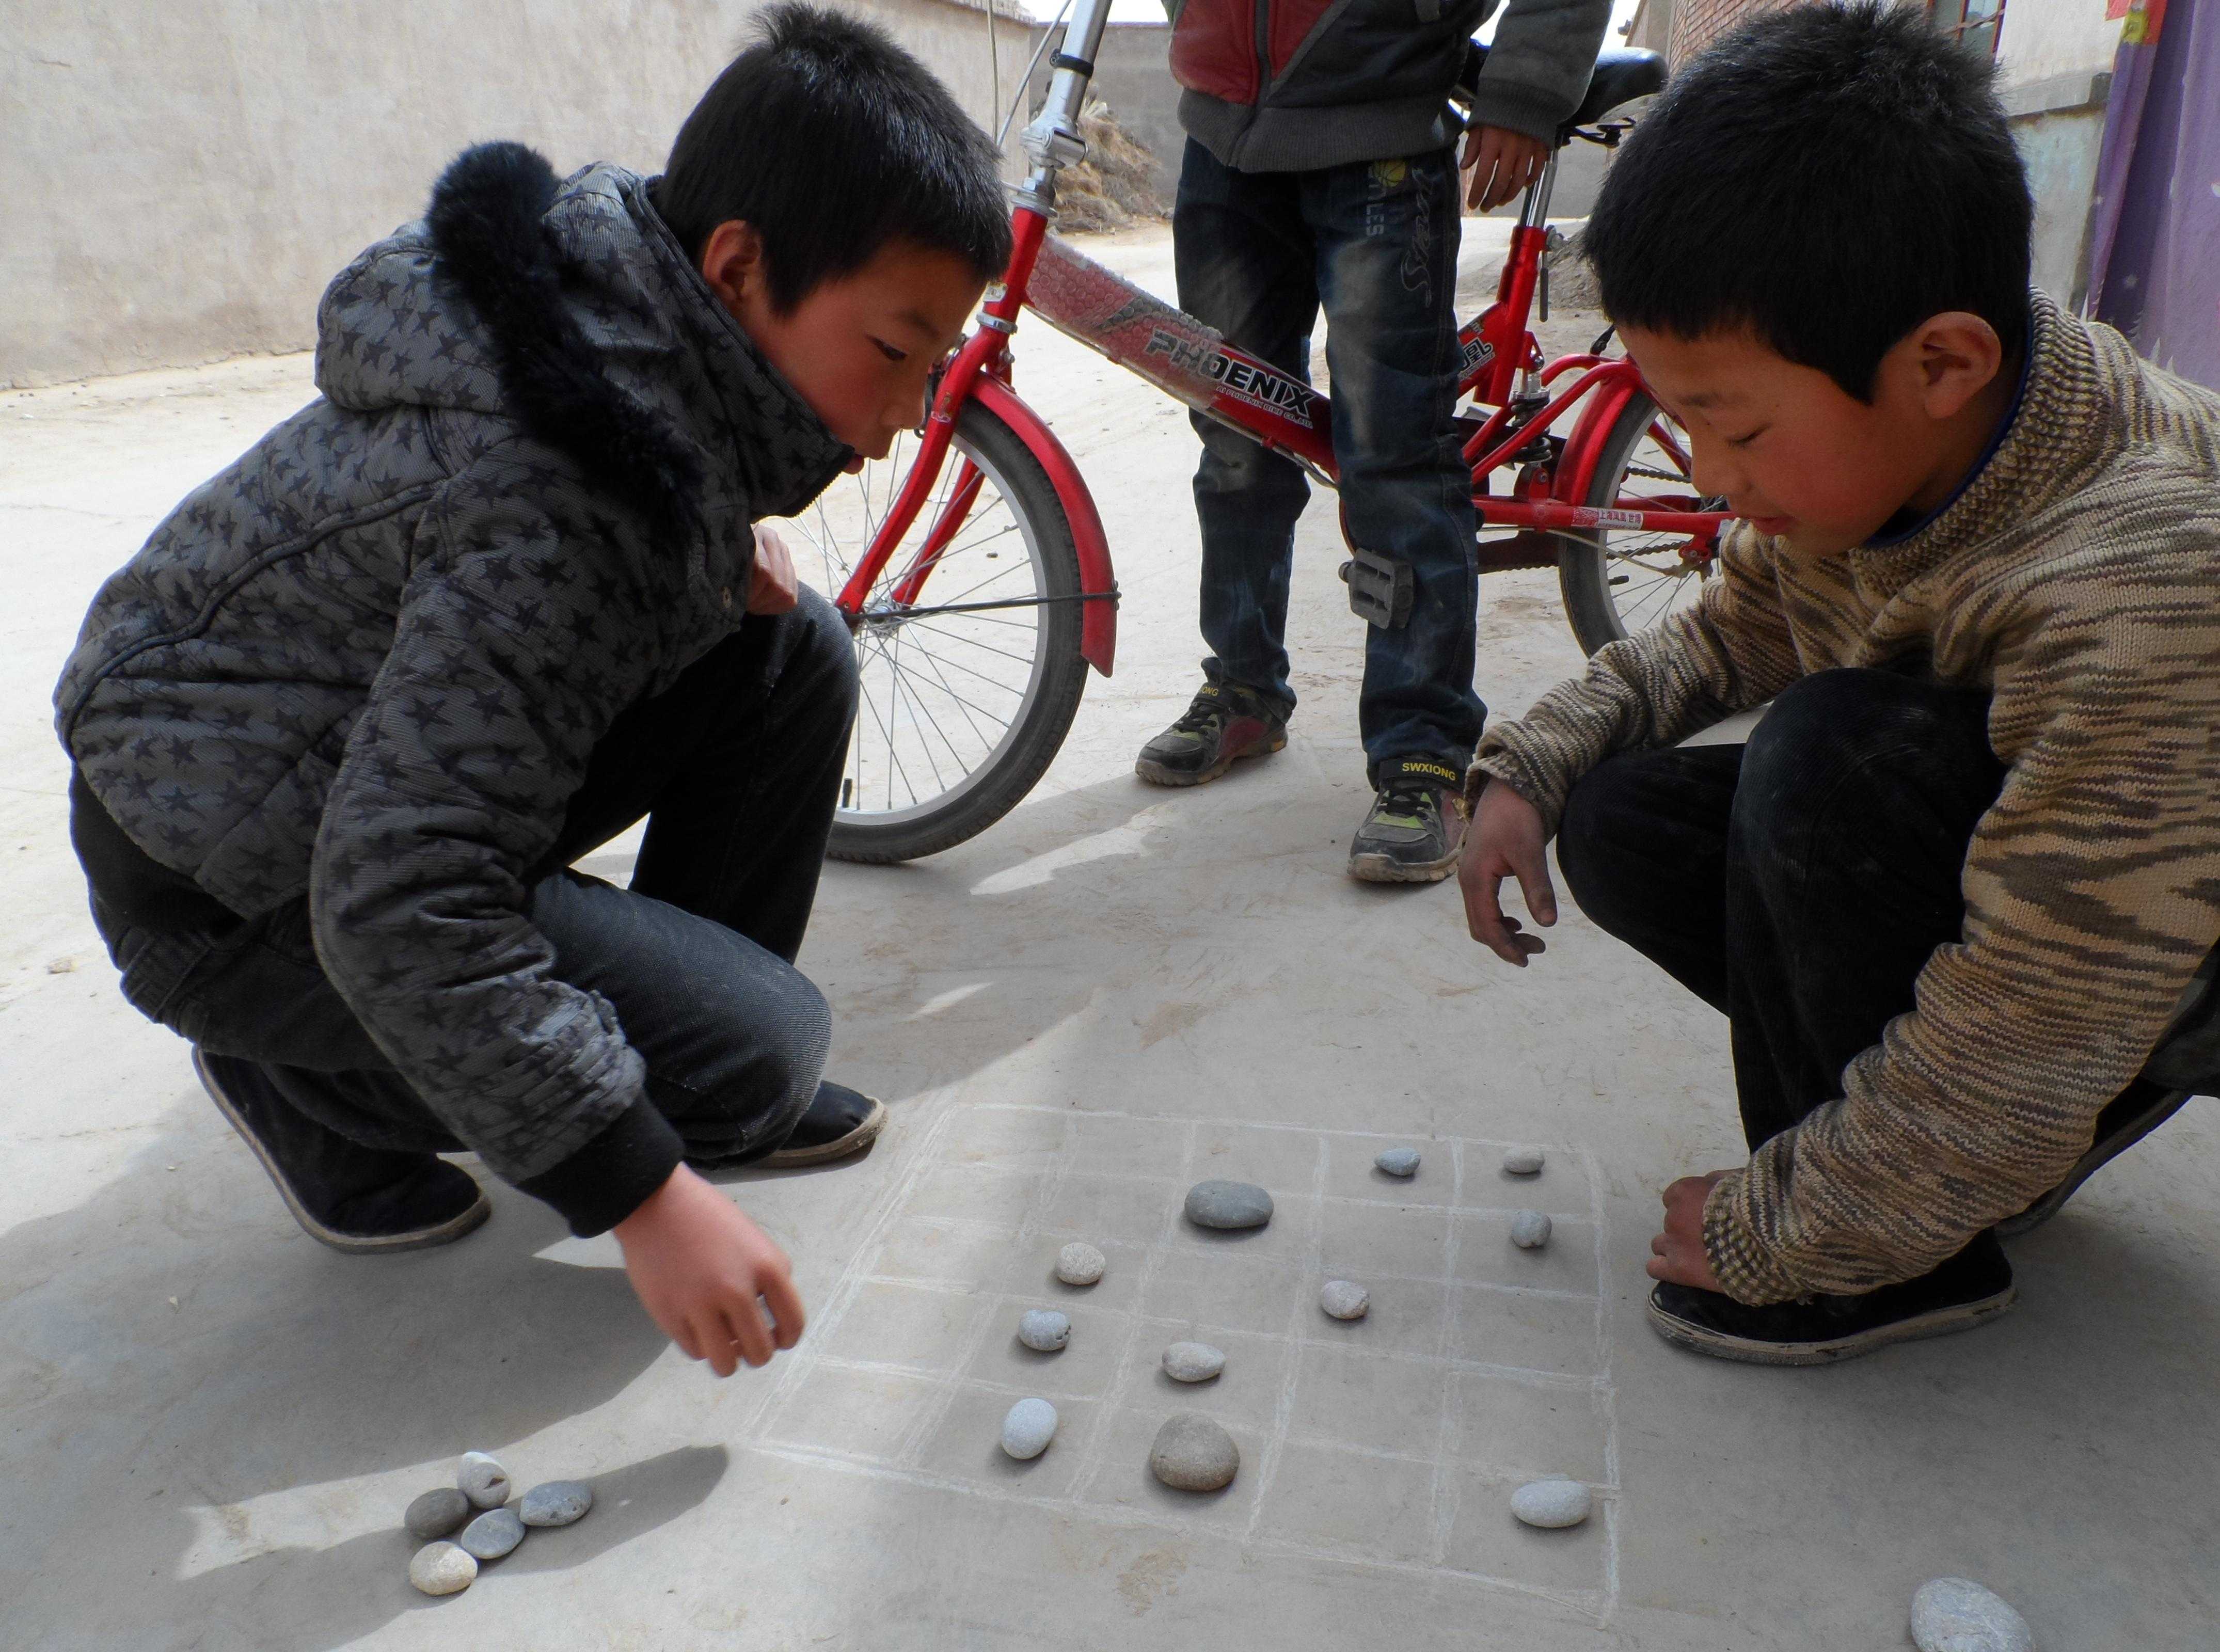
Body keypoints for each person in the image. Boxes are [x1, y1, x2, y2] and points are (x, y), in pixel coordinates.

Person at [54, 6, 1010, 1378]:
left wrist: (708, 545)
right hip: (219, 882)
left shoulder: (628, 325)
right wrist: (636, 1187)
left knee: (787, 649)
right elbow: (402, 892)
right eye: (897, 350)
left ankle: (677, 1060)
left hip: (321, 761)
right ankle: (303, 1084)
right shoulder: (557, 495)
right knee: (762, 1052)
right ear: (740, 267)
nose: (909, 412)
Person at [1456, 2, 2220, 1364]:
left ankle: (1893, 1254)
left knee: (1822, 767)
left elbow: (2046, 994)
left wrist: (1788, 1227)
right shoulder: (1906, 449)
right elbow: (1720, 637)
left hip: (2170, 923)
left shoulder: (2136, 572)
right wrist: (1531, 761)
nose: (1705, 476)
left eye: (1734, 427)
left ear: (1940, 364)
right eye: (1681, 422)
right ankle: (1990, 1146)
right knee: (1620, 815)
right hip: (2088, 880)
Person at [1137, 0, 1612, 882]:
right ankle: (1243, 687)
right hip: (1224, 145)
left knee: (1395, 460)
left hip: (1380, 131)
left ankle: (1423, 753)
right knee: (1237, 440)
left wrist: (1526, 88)